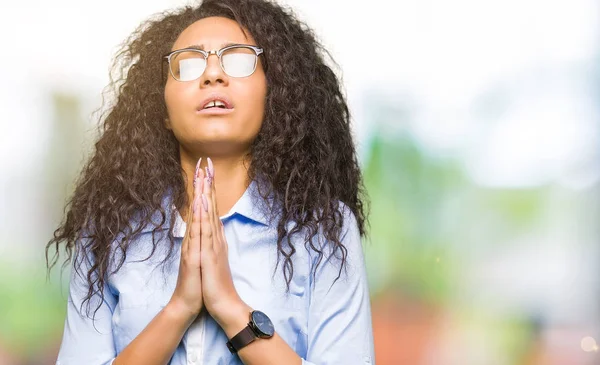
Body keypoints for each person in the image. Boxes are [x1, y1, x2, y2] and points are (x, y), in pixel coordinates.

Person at [46, 0, 374, 364]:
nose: (213, 75)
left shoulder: (323, 230)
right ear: (163, 110)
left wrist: (229, 307)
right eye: (188, 62)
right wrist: (180, 308)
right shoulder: (107, 233)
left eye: (237, 58)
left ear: (272, 95)